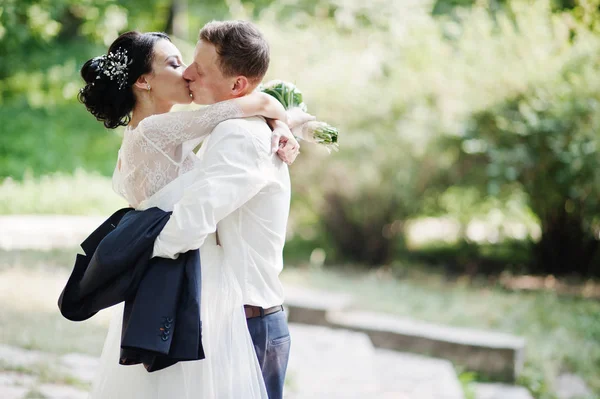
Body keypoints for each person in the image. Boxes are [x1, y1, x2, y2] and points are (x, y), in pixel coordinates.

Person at [78, 30, 310, 398]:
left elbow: (232, 119)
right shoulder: (155, 131)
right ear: (143, 81)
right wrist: (272, 110)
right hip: (186, 286)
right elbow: (244, 105)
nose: (185, 71)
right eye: (173, 63)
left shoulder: (158, 135)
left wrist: (283, 122)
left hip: (176, 290)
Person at [152, 20, 299, 399]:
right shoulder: (237, 125)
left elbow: (192, 220)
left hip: (250, 326)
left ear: (238, 86)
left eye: (199, 71)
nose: (187, 74)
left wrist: (137, 254)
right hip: (239, 320)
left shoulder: (240, 135)